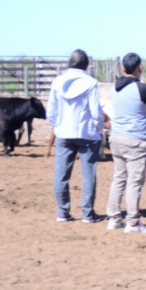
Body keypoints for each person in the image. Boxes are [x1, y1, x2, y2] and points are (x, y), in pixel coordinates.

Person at [105, 53, 146, 234]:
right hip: (135, 139)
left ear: (123, 68)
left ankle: (114, 218)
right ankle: (133, 222)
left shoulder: (115, 87)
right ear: (140, 68)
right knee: (135, 182)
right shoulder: (142, 88)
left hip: (116, 138)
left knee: (119, 179)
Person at [47, 49, 104, 223]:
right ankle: (88, 214)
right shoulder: (91, 83)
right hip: (86, 133)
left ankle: (62, 212)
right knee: (89, 175)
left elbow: (51, 111)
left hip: (64, 132)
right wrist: (99, 127)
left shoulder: (57, 82)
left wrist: (56, 127)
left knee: (61, 175)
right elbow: (95, 111)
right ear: (86, 65)